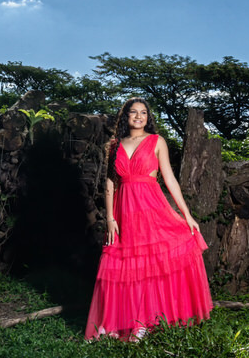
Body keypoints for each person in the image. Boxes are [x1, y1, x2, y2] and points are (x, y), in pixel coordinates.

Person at [84, 97, 213, 341]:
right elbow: (110, 183)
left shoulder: (157, 141)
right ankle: (112, 323)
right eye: (134, 112)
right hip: (124, 212)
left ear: (148, 117)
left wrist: (186, 214)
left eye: (143, 113)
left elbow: (170, 179)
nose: (139, 117)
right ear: (126, 116)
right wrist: (110, 218)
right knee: (119, 265)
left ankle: (142, 323)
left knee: (145, 267)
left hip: (151, 210)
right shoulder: (115, 145)